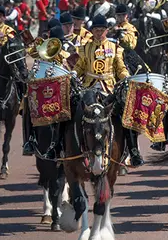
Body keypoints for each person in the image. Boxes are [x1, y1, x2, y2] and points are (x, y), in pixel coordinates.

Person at [72, 14, 142, 166]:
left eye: (102, 30)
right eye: (96, 30)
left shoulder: (115, 47)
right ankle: (66, 147)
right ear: (92, 31)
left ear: (107, 31)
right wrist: (74, 73)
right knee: (73, 108)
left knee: (126, 110)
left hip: (109, 88)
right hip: (89, 87)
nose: (99, 33)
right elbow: (80, 66)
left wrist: (125, 77)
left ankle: (133, 150)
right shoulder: (85, 48)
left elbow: (120, 67)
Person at [22, 26, 71, 158]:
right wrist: (33, 43)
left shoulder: (67, 55)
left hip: (61, 91)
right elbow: (31, 52)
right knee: (27, 101)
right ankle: (29, 139)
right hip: (43, 91)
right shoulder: (43, 52)